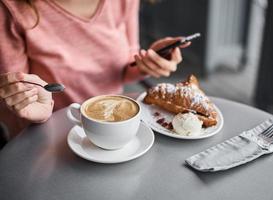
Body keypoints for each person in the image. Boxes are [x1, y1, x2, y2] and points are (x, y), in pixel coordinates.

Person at [0, 0, 190, 140]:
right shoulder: (11, 8)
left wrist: (148, 62)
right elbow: (14, 96)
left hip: (114, 127)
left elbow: (124, 67)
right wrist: (34, 109)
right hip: (46, 135)